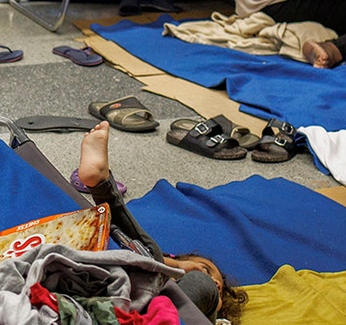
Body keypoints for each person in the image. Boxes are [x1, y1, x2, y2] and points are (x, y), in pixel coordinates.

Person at [74, 121, 249, 324]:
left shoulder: (209, 313)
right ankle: (100, 182)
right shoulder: (159, 275)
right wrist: (177, 266)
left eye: (218, 286)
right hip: (128, 303)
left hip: (168, 315)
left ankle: (101, 185)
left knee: (190, 280)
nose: (216, 282)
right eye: (205, 268)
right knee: (140, 254)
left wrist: (197, 279)